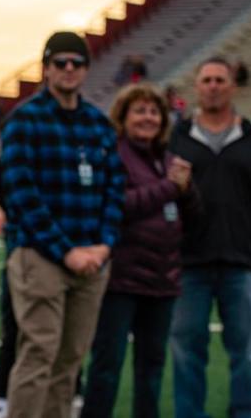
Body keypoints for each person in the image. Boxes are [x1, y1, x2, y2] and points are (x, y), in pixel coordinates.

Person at [0, 31, 125, 418]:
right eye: (60, 62)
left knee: (70, 361)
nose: (69, 69)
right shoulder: (24, 120)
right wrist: (66, 250)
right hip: (42, 256)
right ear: (46, 69)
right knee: (39, 354)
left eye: (77, 62)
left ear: (86, 68)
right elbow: (21, 195)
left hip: (91, 259)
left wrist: (103, 246)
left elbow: (114, 190)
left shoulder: (99, 124)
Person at [81, 83, 198, 418]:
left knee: (151, 372)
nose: (148, 118)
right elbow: (120, 205)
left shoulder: (170, 159)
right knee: (107, 367)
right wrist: (169, 188)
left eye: (154, 111)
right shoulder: (113, 154)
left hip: (163, 282)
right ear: (124, 116)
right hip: (121, 281)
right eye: (140, 111)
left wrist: (187, 191)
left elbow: (194, 217)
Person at [169, 56, 251, 418]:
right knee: (187, 349)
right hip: (189, 261)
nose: (214, 86)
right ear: (196, 87)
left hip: (244, 259)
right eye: (207, 80)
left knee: (248, 353)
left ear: (233, 86)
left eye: (220, 79)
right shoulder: (177, 139)